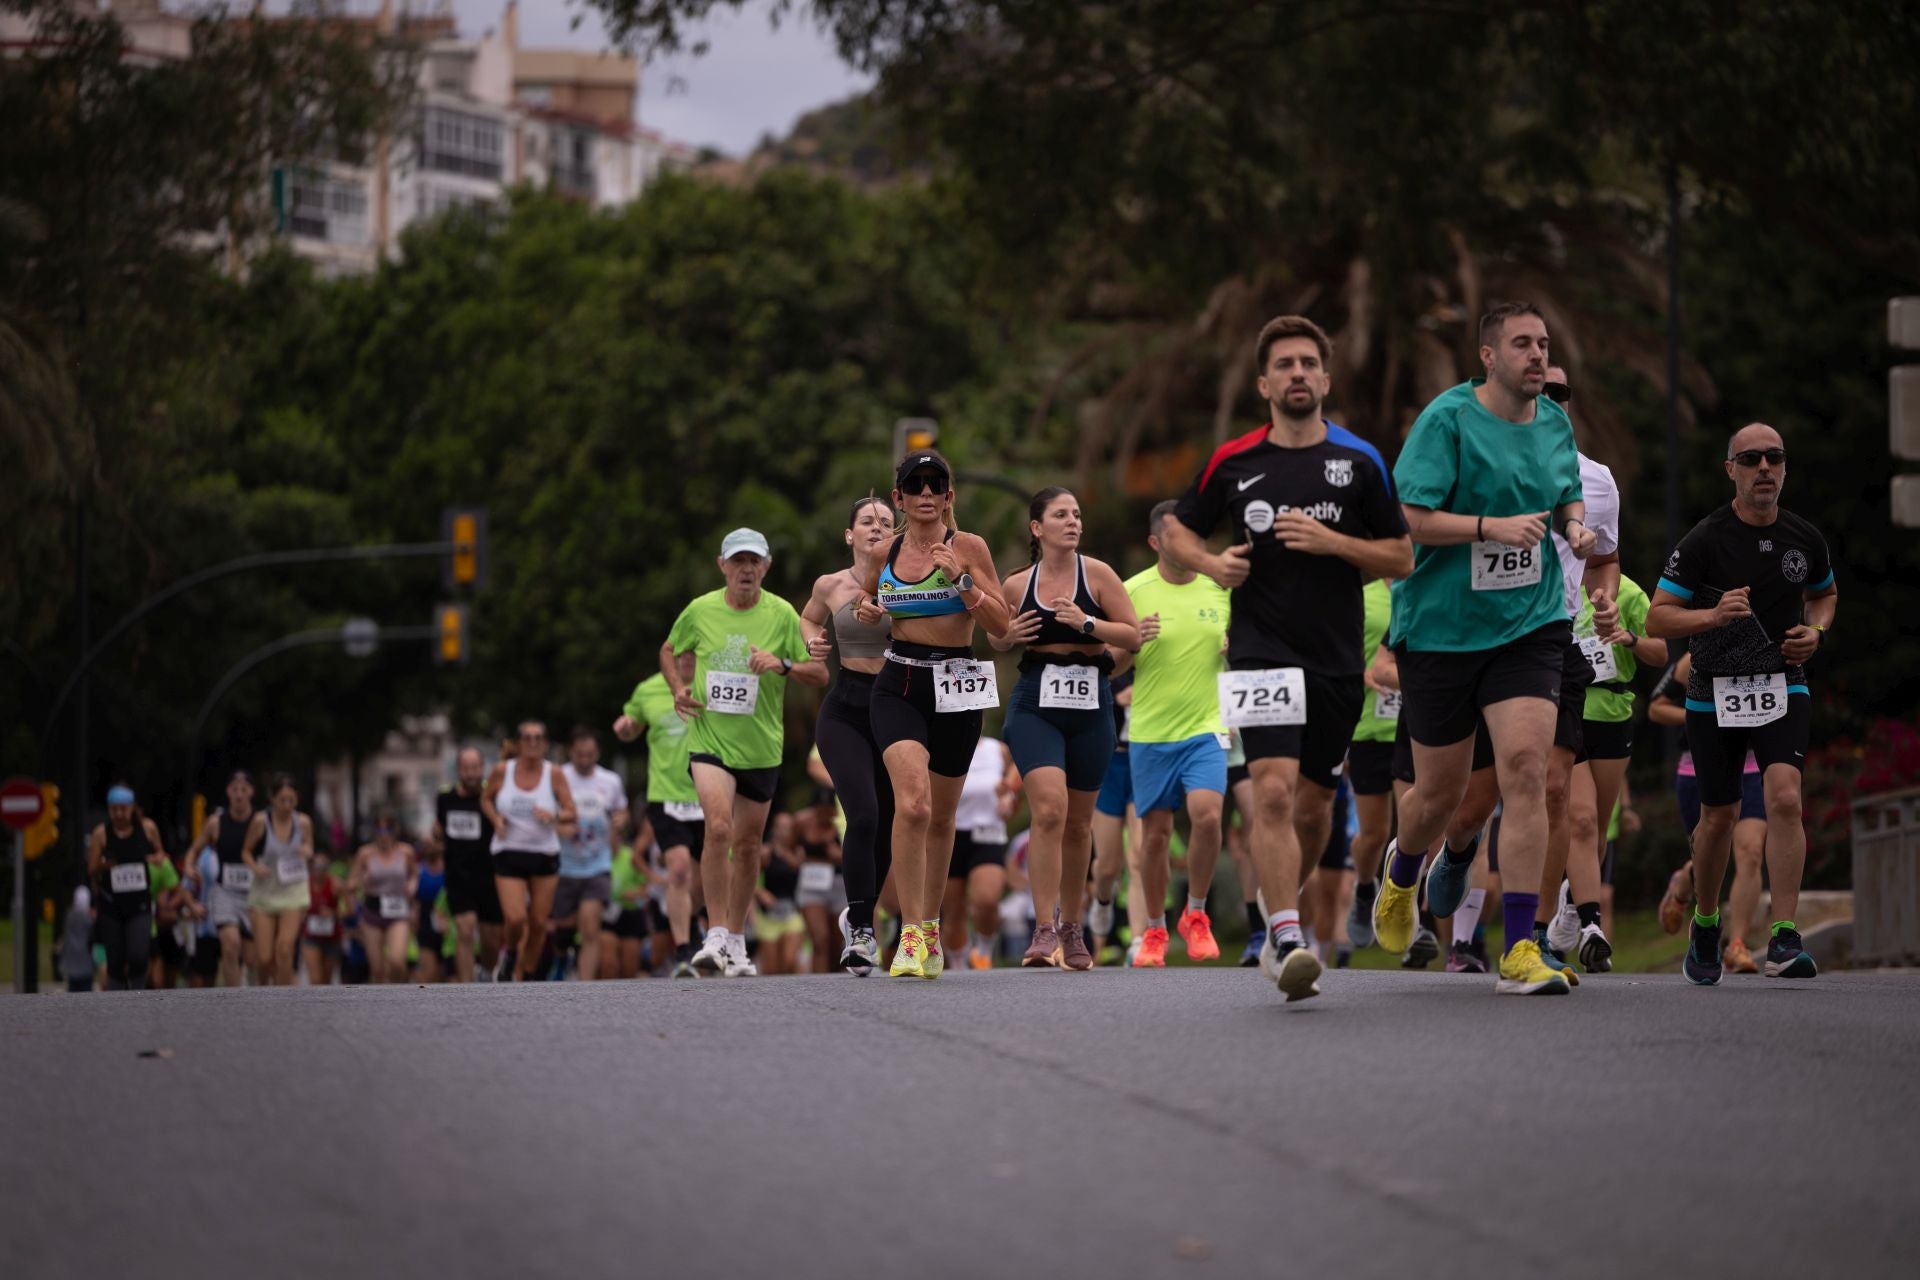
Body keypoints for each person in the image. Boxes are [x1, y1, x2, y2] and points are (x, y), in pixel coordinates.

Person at [1162, 314, 1411, 1001]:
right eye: (1285, 364)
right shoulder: (1234, 461)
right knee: (1269, 790)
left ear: (1325, 380)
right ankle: (1287, 934)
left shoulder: (1360, 461)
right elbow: (1178, 527)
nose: (1298, 373)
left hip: (1335, 658)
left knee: (1311, 807)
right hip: (1259, 651)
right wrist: (1212, 565)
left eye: (1309, 363)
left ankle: (1281, 914)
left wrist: (1336, 544)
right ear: (1264, 383)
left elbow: (1401, 555)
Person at [1368, 301, 1590, 996]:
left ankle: (1520, 947)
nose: (1536, 354)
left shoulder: (1554, 422)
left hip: (1529, 623)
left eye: (1543, 343)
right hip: (1441, 631)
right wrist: (1489, 527)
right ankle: (1403, 870)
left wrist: (1576, 528)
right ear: (1488, 356)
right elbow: (1407, 519)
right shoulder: (1447, 420)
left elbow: (1567, 495)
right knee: (1438, 794)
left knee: (1526, 770)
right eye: (1521, 343)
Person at [1647, 422, 1836, 984]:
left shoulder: (1805, 538)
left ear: (1784, 468)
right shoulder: (1706, 539)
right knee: (1719, 817)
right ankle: (1706, 922)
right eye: (1750, 458)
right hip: (1713, 690)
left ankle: (1782, 936)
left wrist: (1817, 633)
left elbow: (1824, 595)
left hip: (1783, 681)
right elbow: (1658, 616)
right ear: (1730, 469)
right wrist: (1710, 616)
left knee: (1783, 797)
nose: (1763, 468)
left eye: (1773, 458)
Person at [863, 451, 1014, 978]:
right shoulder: (884, 551)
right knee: (915, 805)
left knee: (944, 815)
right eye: (914, 484)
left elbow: (1003, 628)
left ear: (950, 495)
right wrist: (871, 613)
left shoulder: (969, 547)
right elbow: (871, 606)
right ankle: (910, 931)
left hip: (958, 681)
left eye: (936, 484)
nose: (925, 493)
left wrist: (965, 584)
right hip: (900, 681)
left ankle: (929, 930)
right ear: (899, 495)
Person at [664, 528, 826, 978]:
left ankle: (736, 938)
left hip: (760, 747)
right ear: (722, 566)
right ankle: (714, 932)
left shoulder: (782, 614)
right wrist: (678, 687)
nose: (746, 569)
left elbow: (818, 672)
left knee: (749, 843)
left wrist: (782, 664)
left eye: (754, 561)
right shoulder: (700, 610)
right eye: (738, 561)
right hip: (709, 739)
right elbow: (669, 648)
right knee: (717, 827)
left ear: (766, 567)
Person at [994, 486, 1142, 970]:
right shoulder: (1018, 585)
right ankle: (1042, 930)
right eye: (1061, 515)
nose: (1073, 521)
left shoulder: (1096, 575)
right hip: (1036, 700)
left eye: (1077, 514)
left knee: (1080, 823)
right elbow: (992, 633)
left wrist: (1087, 624)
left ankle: (1073, 930)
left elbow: (1132, 635)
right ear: (1038, 528)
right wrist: (1006, 637)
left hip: (1091, 702)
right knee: (1051, 811)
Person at [1108, 500, 1232, 967]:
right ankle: (1156, 929)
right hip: (1150, 730)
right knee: (1154, 837)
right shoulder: (1132, 589)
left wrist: (1235, 648)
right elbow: (1111, 662)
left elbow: (1245, 654)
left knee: (1207, 815)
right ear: (1156, 542)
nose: (1189, 543)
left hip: (1206, 726)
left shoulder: (1220, 589)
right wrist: (1130, 639)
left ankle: (1196, 915)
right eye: (1178, 535)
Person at [799, 495, 897, 976]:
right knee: (862, 815)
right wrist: (812, 644)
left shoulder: (911, 582)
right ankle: (861, 930)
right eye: (867, 521)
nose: (877, 527)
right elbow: (809, 617)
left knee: (890, 825)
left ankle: (859, 908)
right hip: (845, 709)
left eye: (885, 522)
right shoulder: (830, 584)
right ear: (849, 534)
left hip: (897, 707)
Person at [1566, 568, 1666, 966]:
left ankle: (1568, 903)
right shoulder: (1561, 580)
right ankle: (1589, 924)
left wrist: (1629, 638)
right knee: (1580, 822)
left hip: (1612, 712)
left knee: (1596, 831)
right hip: (1567, 707)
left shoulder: (1629, 591)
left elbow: (1660, 652)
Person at [1648, 655, 1767, 970]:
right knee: (1711, 852)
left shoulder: (1765, 647)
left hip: (1752, 766)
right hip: (1699, 767)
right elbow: (1656, 707)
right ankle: (1686, 880)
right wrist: (1695, 718)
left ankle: (1737, 944)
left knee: (1751, 852)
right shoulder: (1694, 658)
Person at [616, 652, 704, 977]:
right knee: (678, 869)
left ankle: (693, 919)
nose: (687, 659)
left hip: (709, 792)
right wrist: (625, 729)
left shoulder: (712, 682)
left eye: (694, 651)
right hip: (666, 795)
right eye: (680, 652)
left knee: (706, 877)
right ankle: (683, 951)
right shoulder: (648, 689)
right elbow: (631, 728)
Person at [484, 724, 576, 981]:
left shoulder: (554, 773)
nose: (533, 743)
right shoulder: (503, 771)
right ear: (519, 743)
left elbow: (571, 811)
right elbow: (485, 799)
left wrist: (555, 814)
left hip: (544, 853)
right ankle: (511, 954)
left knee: (538, 923)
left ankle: (527, 975)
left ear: (545, 744)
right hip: (508, 851)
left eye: (538, 739)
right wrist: (496, 820)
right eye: (527, 738)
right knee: (515, 919)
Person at [552, 727, 630, 982]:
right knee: (562, 927)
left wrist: (620, 821)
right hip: (564, 866)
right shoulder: (558, 777)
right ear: (570, 753)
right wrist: (558, 826)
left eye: (589, 754)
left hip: (597, 865)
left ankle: (583, 987)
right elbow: (543, 813)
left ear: (597, 753)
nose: (584, 759)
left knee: (590, 928)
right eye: (579, 754)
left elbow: (622, 811)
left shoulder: (611, 781)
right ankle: (564, 954)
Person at [943, 736, 1018, 969]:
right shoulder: (939, 743)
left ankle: (984, 948)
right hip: (948, 835)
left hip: (988, 832)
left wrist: (1009, 798)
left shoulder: (999, 749)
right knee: (953, 912)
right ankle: (958, 963)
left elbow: (1013, 785)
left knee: (987, 899)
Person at [86, 783, 168, 990]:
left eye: (123, 809)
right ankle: (117, 998)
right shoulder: (101, 833)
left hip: (139, 902)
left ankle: (137, 991)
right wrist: (105, 865)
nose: (119, 814)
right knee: (115, 960)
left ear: (132, 808)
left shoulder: (147, 828)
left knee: (138, 955)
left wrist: (156, 858)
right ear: (109, 810)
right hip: (111, 904)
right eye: (114, 809)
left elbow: (161, 853)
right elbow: (91, 868)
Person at [434, 747, 503, 982]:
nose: (471, 773)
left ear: (482, 768)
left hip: (489, 875)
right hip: (458, 876)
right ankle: (466, 989)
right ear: (459, 770)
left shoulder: (491, 796)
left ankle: (485, 973)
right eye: (466, 768)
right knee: (464, 929)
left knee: (491, 940)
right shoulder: (445, 798)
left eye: (475, 768)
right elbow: (439, 830)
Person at [183, 770, 258, 988]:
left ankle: (255, 992)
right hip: (225, 891)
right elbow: (194, 850)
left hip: (254, 893)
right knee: (230, 944)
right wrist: (188, 866)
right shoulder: (215, 823)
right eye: (235, 789)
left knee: (254, 959)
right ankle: (234, 999)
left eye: (244, 790)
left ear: (251, 792)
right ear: (228, 792)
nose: (239, 795)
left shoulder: (260, 821)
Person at [240, 774, 314, 987]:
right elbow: (245, 852)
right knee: (263, 958)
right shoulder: (260, 821)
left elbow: (310, 846)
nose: (287, 805)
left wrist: (306, 851)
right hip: (265, 893)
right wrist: (255, 867)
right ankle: (267, 992)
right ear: (272, 799)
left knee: (284, 948)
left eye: (291, 800)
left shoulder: (303, 822)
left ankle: (284, 999)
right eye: (282, 800)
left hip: (293, 892)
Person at [349, 808, 418, 984]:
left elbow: (414, 875)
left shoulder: (406, 852)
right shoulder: (365, 854)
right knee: (378, 970)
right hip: (373, 911)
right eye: (379, 829)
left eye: (388, 829)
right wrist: (360, 882)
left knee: (396, 961)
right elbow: (350, 884)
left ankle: (398, 992)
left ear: (395, 830)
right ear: (374, 832)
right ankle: (381, 1004)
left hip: (398, 911)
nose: (384, 834)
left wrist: (411, 886)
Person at [792, 790, 846, 974]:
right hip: (811, 885)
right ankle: (819, 979)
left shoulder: (842, 825)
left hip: (839, 884)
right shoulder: (802, 823)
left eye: (827, 810)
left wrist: (838, 856)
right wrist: (798, 858)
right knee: (819, 938)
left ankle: (836, 975)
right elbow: (789, 848)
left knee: (836, 940)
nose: (824, 815)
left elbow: (859, 856)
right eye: (820, 810)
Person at [753, 812, 806, 975]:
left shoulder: (798, 852)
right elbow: (748, 880)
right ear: (774, 829)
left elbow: (798, 868)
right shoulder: (766, 853)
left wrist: (784, 851)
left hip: (792, 913)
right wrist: (761, 893)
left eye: (788, 828)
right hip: (769, 916)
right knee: (772, 971)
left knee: (789, 961)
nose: (784, 831)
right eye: (780, 827)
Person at [302, 849, 347, 987]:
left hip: (332, 937)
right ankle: (313, 1006)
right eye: (315, 866)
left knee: (326, 981)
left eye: (323, 866)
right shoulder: (304, 885)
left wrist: (333, 912)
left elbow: (348, 910)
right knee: (315, 979)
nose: (319, 870)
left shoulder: (336, 884)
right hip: (310, 936)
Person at [413, 840, 448, 983]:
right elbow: (414, 898)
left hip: (447, 920)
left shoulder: (449, 870)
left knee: (443, 973)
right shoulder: (419, 871)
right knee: (429, 972)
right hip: (425, 920)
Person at [60, 887, 95, 993]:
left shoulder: (70, 915)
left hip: (72, 960)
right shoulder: (88, 917)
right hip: (86, 961)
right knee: (86, 990)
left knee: (73, 988)